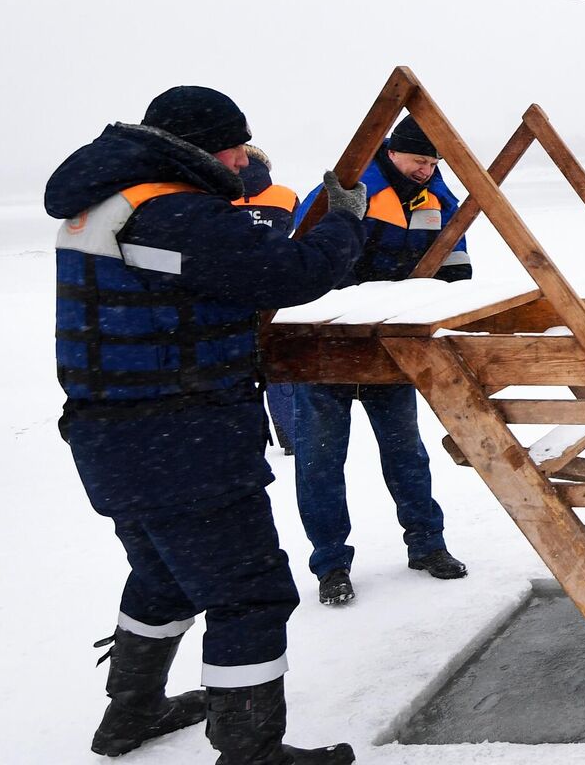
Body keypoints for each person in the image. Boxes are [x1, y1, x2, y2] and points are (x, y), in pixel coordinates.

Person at [49, 86, 368, 763]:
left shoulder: (108, 202)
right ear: (195, 147)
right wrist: (344, 222)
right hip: (182, 442)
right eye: (231, 146)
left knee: (163, 578)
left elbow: (208, 271)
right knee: (250, 595)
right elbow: (284, 272)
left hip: (113, 439)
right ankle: (251, 749)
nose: (239, 157)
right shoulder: (171, 213)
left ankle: (130, 715)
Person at [293, 116, 470, 607]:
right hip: (324, 347)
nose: (427, 170)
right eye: (419, 160)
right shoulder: (350, 190)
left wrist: (447, 310)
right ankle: (331, 564)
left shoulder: (437, 196)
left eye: (434, 162)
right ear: (392, 151)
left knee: (406, 453)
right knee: (321, 461)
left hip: (390, 346)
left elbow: (454, 257)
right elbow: (303, 257)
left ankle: (427, 546)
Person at [229, 146, 302, 455]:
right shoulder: (286, 197)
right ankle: (292, 437)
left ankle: (241, 440)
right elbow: (293, 236)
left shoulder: (216, 198)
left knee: (233, 367)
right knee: (278, 364)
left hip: (229, 292)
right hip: (275, 290)